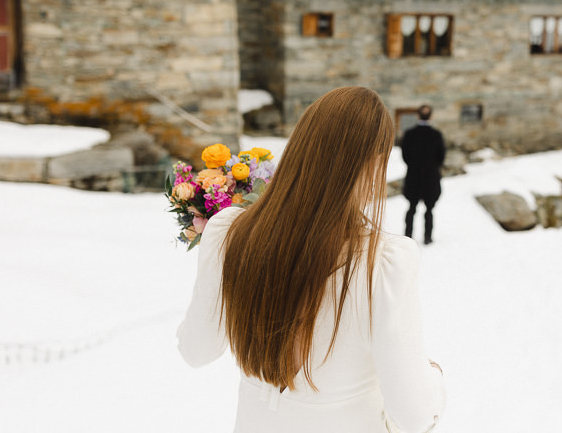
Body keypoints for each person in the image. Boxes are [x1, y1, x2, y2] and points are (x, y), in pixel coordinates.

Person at [177, 87, 446, 433]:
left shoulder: (229, 232)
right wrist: (434, 378)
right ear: (374, 163)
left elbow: (195, 350)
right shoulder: (383, 264)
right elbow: (414, 415)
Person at [401, 104, 446, 245]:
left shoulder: (409, 134)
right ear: (431, 116)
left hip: (414, 175)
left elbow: (405, 155)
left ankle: (408, 235)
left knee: (412, 207)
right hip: (431, 176)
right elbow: (441, 156)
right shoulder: (436, 135)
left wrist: (414, 165)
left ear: (418, 116)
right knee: (429, 209)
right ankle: (428, 237)